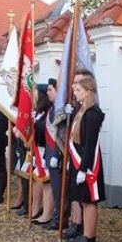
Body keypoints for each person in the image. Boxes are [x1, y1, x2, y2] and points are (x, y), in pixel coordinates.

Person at [67, 76, 105, 242]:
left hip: (88, 163)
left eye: (78, 90)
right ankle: (84, 235)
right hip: (78, 161)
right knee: (82, 200)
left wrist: (83, 168)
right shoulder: (81, 110)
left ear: (89, 92)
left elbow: (90, 143)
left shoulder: (92, 114)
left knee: (89, 201)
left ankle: (90, 239)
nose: (75, 93)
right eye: (75, 90)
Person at [44, 78, 67, 230]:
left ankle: (62, 219)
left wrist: (57, 155)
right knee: (55, 189)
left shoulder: (61, 111)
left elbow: (62, 136)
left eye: (50, 90)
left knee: (60, 190)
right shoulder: (51, 109)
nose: (47, 93)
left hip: (57, 156)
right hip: (49, 154)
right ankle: (58, 216)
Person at [32, 85, 55, 223]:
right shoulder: (39, 112)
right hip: (37, 149)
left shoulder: (48, 112)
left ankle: (47, 213)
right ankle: (36, 207)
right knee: (37, 179)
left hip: (44, 149)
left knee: (46, 182)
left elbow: (45, 131)